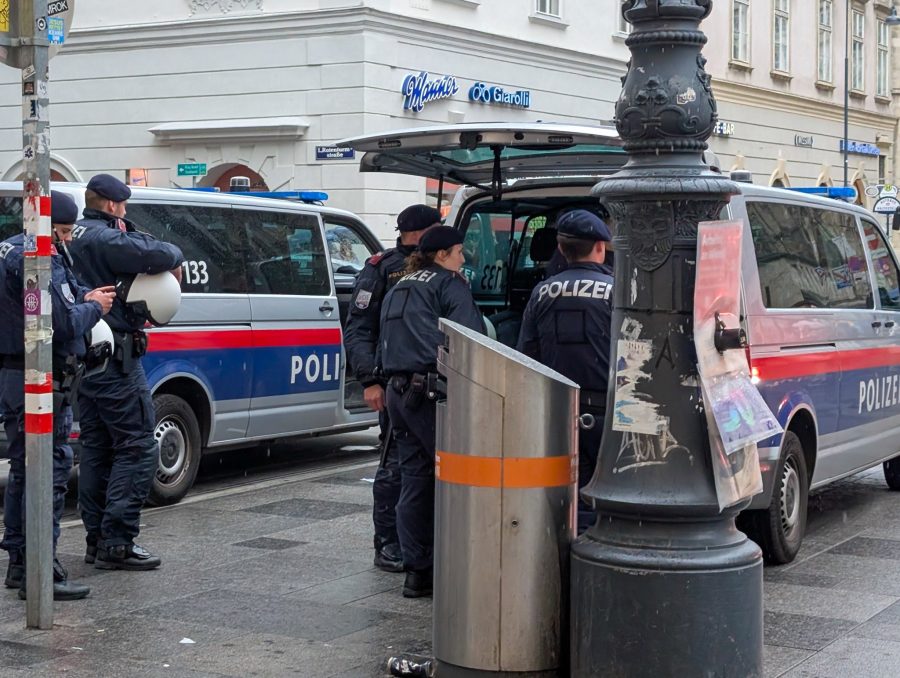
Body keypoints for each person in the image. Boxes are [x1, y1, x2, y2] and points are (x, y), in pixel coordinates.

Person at [0, 191, 116, 600]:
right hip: (41, 378)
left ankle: (19, 564)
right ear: (48, 226)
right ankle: (41, 570)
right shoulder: (38, 257)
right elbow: (62, 321)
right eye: (63, 231)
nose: (66, 239)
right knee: (47, 472)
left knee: (22, 470)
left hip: (15, 376)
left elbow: (61, 298)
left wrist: (81, 295)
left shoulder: (9, 250)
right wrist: (96, 307)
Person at [67, 174, 184, 571]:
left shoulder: (74, 234)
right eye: (124, 207)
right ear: (114, 205)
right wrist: (171, 251)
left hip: (85, 356)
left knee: (98, 450)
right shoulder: (108, 238)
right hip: (116, 357)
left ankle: (96, 539)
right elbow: (162, 254)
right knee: (137, 445)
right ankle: (118, 541)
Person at [379, 225, 485, 598]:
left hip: (398, 391)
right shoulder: (448, 284)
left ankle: (417, 572)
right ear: (442, 255)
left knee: (415, 480)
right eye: (458, 252)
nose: (463, 259)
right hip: (430, 392)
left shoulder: (401, 284)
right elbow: (471, 341)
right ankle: (457, 566)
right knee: (456, 478)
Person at [345, 204, 442, 573]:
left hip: (433, 382)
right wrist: (369, 380)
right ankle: (387, 542)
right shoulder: (381, 269)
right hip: (394, 383)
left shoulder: (436, 263)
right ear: (416, 233)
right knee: (395, 465)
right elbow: (359, 329)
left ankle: (421, 541)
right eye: (434, 228)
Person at [516, 210, 614, 533]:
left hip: (559, 411)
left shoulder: (541, 293)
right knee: (609, 493)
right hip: (606, 412)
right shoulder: (617, 292)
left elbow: (526, 356)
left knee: (568, 493)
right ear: (600, 247)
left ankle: (571, 561)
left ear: (561, 249)